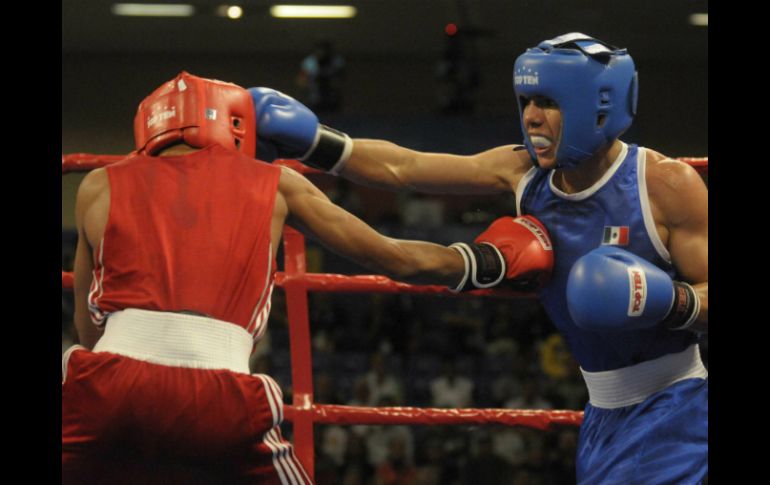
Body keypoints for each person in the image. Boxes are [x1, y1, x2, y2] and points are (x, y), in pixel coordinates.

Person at [249, 32, 708, 484]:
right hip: (602, 416)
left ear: (597, 107)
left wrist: (669, 301)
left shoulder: (664, 185)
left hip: (677, 405)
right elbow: (405, 169)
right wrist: (315, 143)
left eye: (548, 102)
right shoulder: (521, 173)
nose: (530, 117)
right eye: (526, 100)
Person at [62, 71, 555, 484]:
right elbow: (394, 258)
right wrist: (488, 262)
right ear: (234, 124)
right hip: (222, 396)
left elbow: (89, 330)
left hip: (105, 389)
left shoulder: (99, 185)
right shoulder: (277, 183)